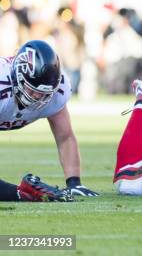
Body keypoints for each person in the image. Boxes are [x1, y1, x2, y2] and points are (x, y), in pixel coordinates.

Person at [0, 40, 97, 201]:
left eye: (44, 93)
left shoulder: (56, 92)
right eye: (33, 90)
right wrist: (22, 194)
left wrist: (74, 183)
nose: (38, 98)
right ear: (18, 77)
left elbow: (65, 137)